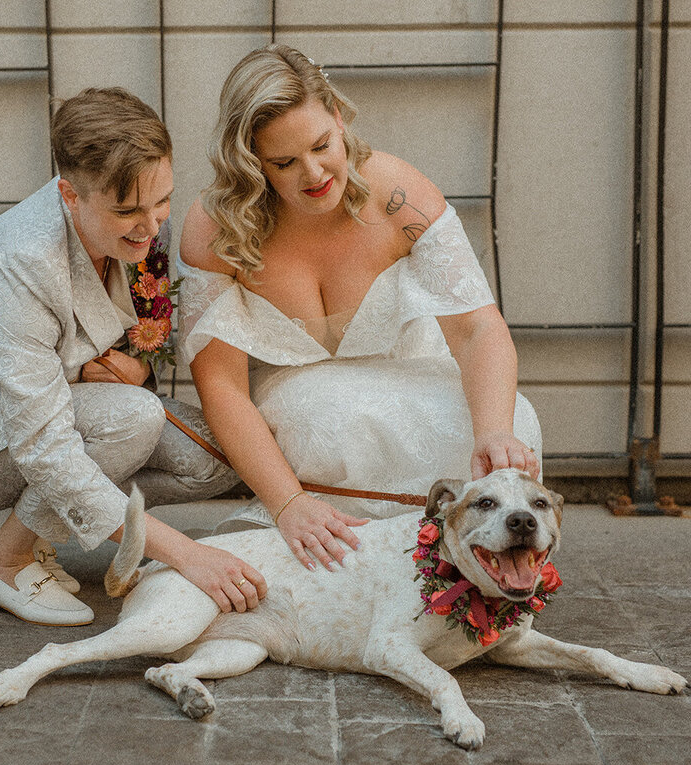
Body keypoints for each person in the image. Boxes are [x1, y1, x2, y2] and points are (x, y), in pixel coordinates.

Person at [0, 87, 266, 626]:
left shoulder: (139, 218)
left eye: (162, 199)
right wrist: (189, 556)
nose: (151, 225)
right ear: (70, 194)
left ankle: (26, 523)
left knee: (218, 454)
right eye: (127, 210)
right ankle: (5, 560)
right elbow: (45, 446)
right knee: (133, 420)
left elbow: (149, 316)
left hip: (52, 408)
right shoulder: (21, 263)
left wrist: (138, 362)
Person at [178, 44, 542, 572]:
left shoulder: (399, 194)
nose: (314, 172)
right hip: (304, 400)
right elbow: (222, 386)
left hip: (411, 374)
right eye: (284, 162)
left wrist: (493, 431)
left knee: (518, 419)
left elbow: (476, 331)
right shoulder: (216, 229)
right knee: (326, 424)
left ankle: (477, 557)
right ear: (251, 162)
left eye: (323, 144)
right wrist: (288, 503)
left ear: (339, 115)